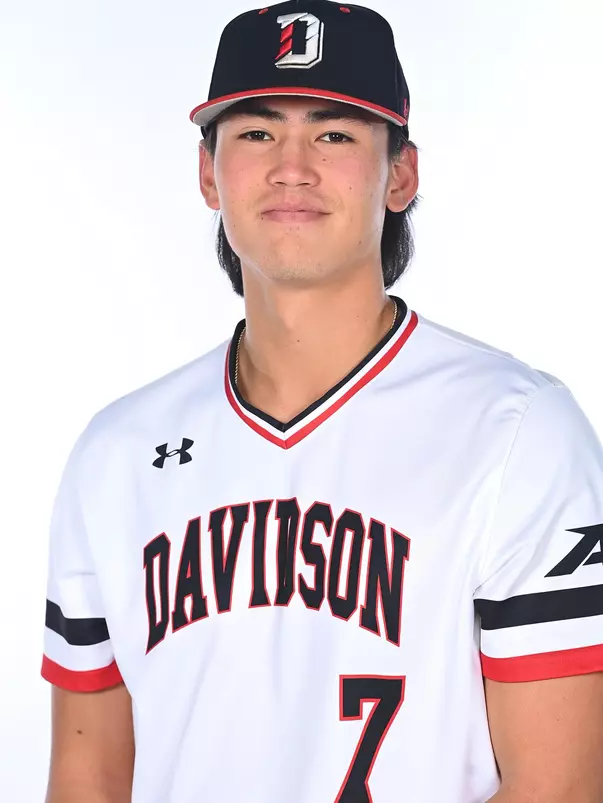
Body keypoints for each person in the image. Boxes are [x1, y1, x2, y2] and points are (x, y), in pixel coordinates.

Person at [42, 1, 603, 801]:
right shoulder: (117, 454)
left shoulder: (518, 432)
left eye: (334, 133)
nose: (291, 166)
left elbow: (561, 788)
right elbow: (86, 778)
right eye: (257, 132)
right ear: (209, 173)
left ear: (400, 174)